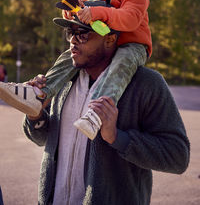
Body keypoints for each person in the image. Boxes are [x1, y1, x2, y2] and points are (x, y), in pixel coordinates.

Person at [0, 0, 152, 139]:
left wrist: (97, 13)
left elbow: (130, 19)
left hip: (130, 45)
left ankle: (96, 113)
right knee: (67, 57)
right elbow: (76, 15)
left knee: (121, 65)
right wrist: (72, 11)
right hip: (97, 44)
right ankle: (39, 95)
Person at [23, 16, 190, 205]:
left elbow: (178, 157)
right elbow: (43, 139)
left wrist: (116, 137)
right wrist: (34, 113)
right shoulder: (64, 80)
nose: (73, 40)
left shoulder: (146, 83)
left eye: (83, 34)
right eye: (70, 33)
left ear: (109, 39)